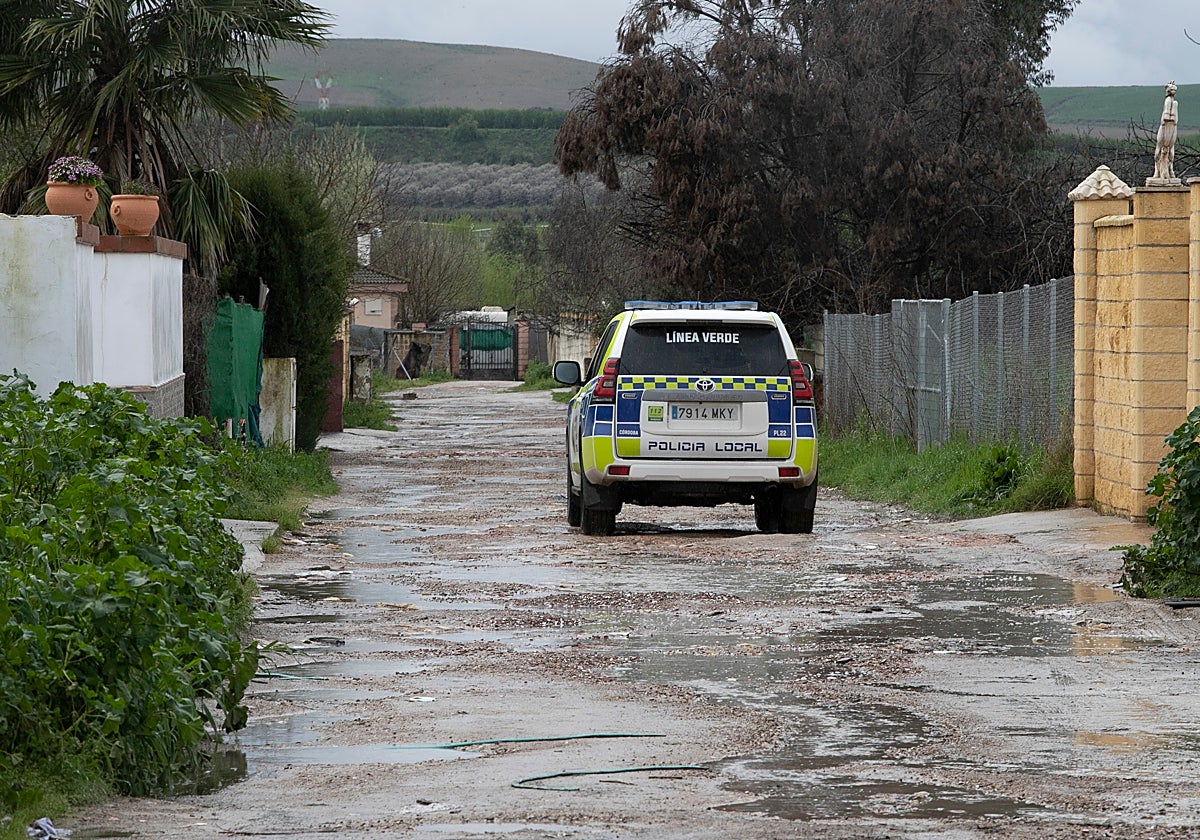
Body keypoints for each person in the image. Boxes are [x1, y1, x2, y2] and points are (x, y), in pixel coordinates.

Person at [1153, 81, 1179, 181]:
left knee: (1171, 150)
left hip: (1172, 127)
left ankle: (1170, 169)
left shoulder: (1175, 103)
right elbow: (1164, 118)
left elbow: (1175, 119)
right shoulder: (1167, 101)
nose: (1174, 92)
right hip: (1165, 127)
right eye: (1172, 89)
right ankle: (1157, 169)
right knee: (1159, 149)